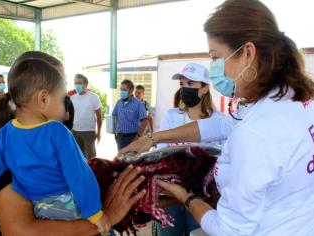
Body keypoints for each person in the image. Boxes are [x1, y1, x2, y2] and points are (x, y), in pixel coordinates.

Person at [119, 0, 314, 235]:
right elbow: (222, 125)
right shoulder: (296, 100)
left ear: (248, 53)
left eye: (216, 57)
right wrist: (152, 139)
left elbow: (229, 231)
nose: (217, 69)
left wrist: (186, 198)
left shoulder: (256, 132)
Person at [0, 51, 146, 236]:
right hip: (67, 207)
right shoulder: (57, 132)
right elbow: (79, 174)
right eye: (62, 99)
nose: (66, 110)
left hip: (40, 209)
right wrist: (96, 214)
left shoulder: (5, 134)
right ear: (43, 99)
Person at [156, 63, 224, 236]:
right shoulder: (172, 116)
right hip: (171, 196)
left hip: (204, 200)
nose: (185, 89)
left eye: (191, 84)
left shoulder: (220, 122)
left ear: (204, 89)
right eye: (182, 84)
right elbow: (161, 154)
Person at [71, 74, 102, 159]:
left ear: (85, 84)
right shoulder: (72, 98)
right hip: (75, 131)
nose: (77, 85)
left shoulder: (93, 97)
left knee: (90, 157)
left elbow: (99, 116)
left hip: (89, 132)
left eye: (79, 83)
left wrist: (99, 132)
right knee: (78, 157)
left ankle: (91, 172)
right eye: (75, 83)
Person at [113, 79, 148, 150]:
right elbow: (115, 115)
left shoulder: (138, 104)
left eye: (124, 89)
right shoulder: (119, 102)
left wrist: (138, 136)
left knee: (133, 159)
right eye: (121, 89)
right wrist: (116, 132)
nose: (122, 91)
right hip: (121, 137)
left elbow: (145, 121)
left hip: (133, 137)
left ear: (131, 91)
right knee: (121, 159)